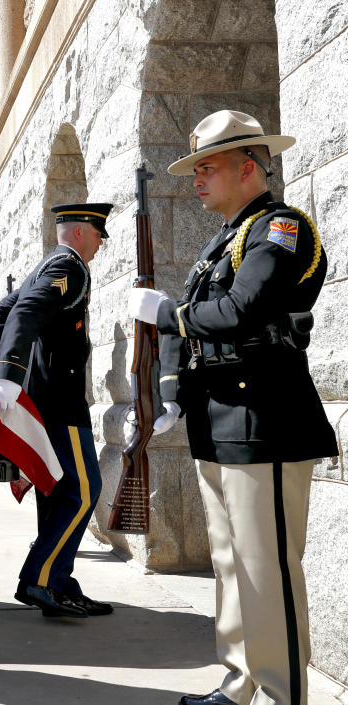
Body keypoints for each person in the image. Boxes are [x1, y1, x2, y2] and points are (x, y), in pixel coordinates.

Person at [128, 110, 336, 705]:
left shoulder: (280, 229)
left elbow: (245, 308)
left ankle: (284, 693)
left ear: (249, 168)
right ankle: (240, 680)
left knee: (267, 568)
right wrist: (170, 390)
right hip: (218, 420)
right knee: (230, 563)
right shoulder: (222, 241)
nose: (197, 179)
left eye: (208, 167)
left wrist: (169, 313)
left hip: (265, 421)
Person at [0, 202, 115, 620]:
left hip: (44, 398)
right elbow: (21, 312)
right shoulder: (69, 267)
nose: (100, 243)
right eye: (97, 235)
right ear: (79, 233)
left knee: (57, 491)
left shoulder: (48, 264)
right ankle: (40, 579)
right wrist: (6, 374)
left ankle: (58, 584)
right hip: (61, 401)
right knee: (83, 492)